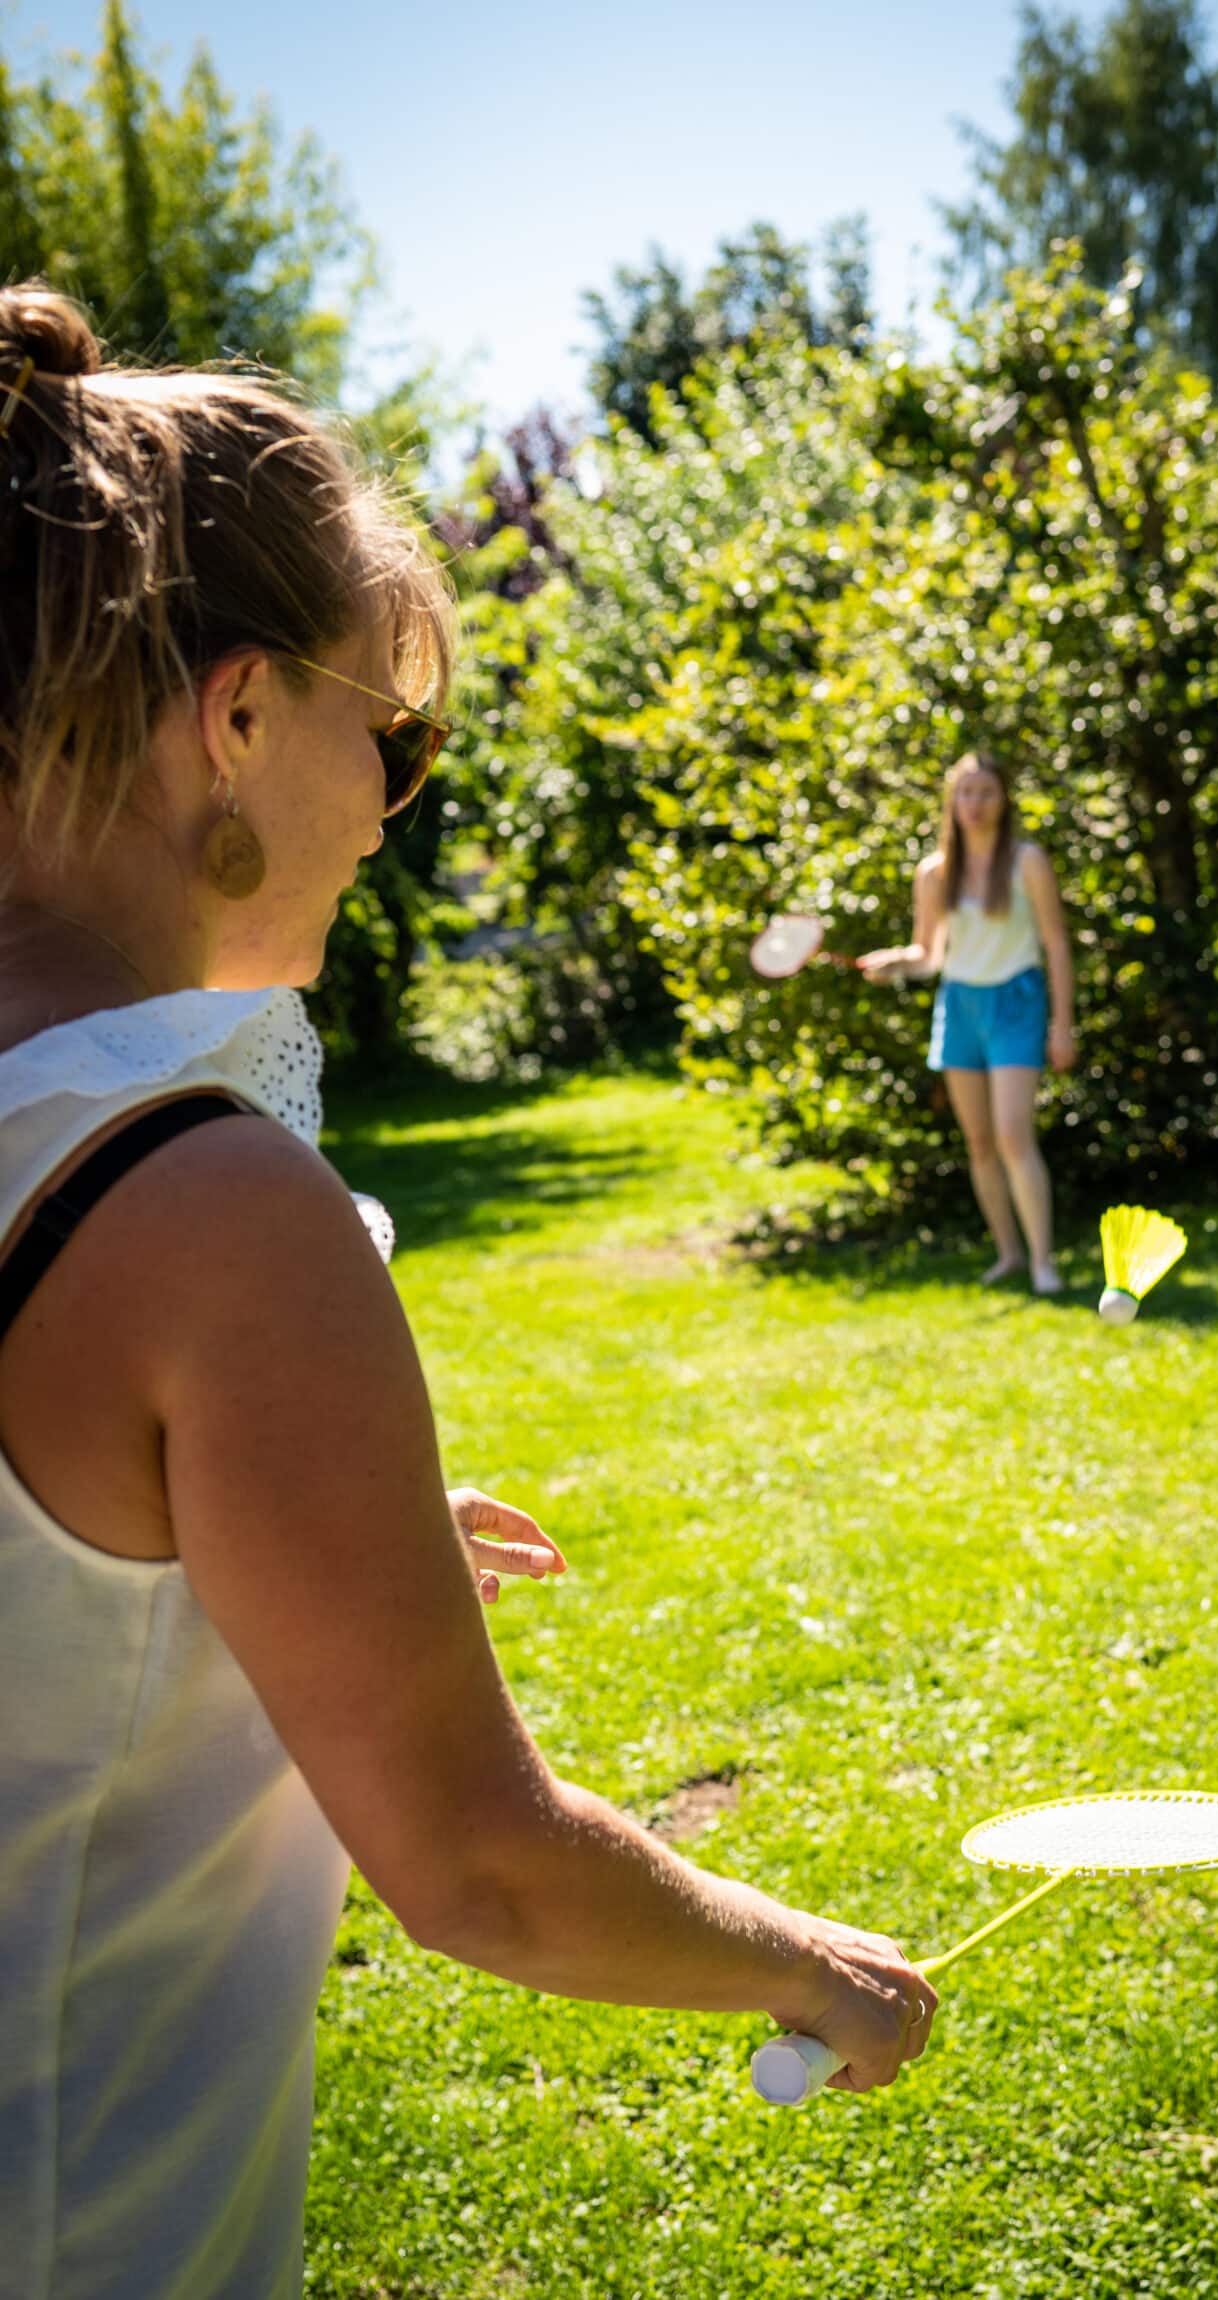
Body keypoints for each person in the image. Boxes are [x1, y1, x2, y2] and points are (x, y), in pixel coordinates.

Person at [0, 285, 936, 2300]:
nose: (396, 802)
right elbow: (480, 1864)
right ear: (235, 715)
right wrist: (820, 1966)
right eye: (396, 737)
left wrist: (218, 1567)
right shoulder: (211, 1211)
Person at [858, 750, 1076, 1289]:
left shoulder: (1027, 861)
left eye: (985, 793)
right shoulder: (934, 872)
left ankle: (1044, 1261)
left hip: (1016, 1003)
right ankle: (1009, 1256)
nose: (974, 804)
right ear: (951, 801)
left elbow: (1056, 943)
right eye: (965, 792)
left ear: (1004, 802)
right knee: (979, 1143)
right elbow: (929, 954)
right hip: (958, 1006)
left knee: (1011, 1136)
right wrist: (896, 965)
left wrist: (1062, 1024)